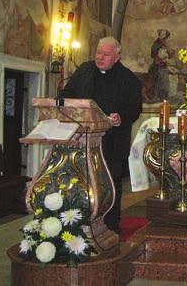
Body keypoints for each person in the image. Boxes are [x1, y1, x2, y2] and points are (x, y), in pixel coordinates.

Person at [61, 37, 142, 234]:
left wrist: (120, 117)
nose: (99, 57)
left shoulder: (129, 79)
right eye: (98, 52)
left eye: (105, 54)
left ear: (117, 56)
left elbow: (135, 108)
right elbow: (66, 96)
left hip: (112, 144)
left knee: (110, 184)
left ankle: (111, 226)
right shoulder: (84, 71)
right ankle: (78, 223)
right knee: (80, 182)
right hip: (82, 141)